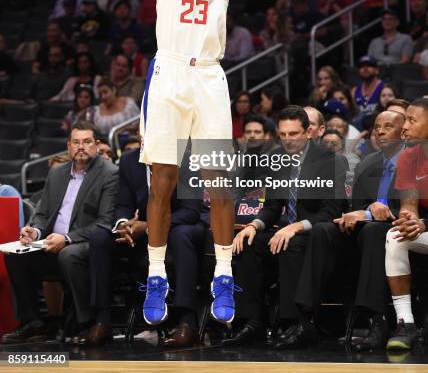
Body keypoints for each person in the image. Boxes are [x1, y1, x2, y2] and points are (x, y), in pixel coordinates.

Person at [126, 0, 249, 325]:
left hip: (210, 78)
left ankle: (222, 274)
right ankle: (156, 274)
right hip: (171, 74)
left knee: (219, 180)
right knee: (164, 181)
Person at [224, 106, 346, 347]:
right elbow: (272, 207)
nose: (288, 140)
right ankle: (252, 322)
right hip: (284, 231)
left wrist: (296, 227)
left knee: (291, 243)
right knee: (248, 243)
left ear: (308, 132)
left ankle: (297, 323)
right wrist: (255, 226)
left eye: (294, 134)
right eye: (283, 134)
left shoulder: (330, 161)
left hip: (317, 234)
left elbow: (331, 211)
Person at [292, 110, 405, 350]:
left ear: (403, 132)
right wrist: (360, 214)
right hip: (364, 234)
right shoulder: (368, 163)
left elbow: (408, 209)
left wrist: (372, 211)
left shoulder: (415, 161)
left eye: (388, 127)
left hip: (399, 234)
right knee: (323, 230)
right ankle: (305, 320)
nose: (381, 131)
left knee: (375, 231)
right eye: (377, 127)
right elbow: (356, 207)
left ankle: (377, 321)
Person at [0, 122, 118, 344]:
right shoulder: (57, 173)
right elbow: (43, 213)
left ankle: (86, 323)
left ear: (97, 144)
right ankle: (33, 323)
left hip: (86, 245)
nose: (81, 147)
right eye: (76, 142)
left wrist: (67, 238)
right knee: (16, 256)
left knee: (69, 254)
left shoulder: (109, 174)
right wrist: (34, 231)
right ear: (69, 146)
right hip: (51, 244)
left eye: (87, 142)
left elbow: (104, 223)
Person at [78, 147, 202, 346]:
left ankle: (187, 322)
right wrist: (123, 224)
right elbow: (123, 203)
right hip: (138, 229)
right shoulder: (129, 160)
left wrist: (149, 227)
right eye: (142, 135)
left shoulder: (185, 158)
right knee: (100, 239)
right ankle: (102, 321)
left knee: (182, 235)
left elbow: (191, 211)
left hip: (175, 228)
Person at [385, 98, 428, 351]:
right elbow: (409, 202)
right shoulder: (408, 157)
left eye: (412, 120)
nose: (404, 127)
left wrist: (424, 223)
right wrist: (408, 218)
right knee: (396, 235)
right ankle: (406, 323)